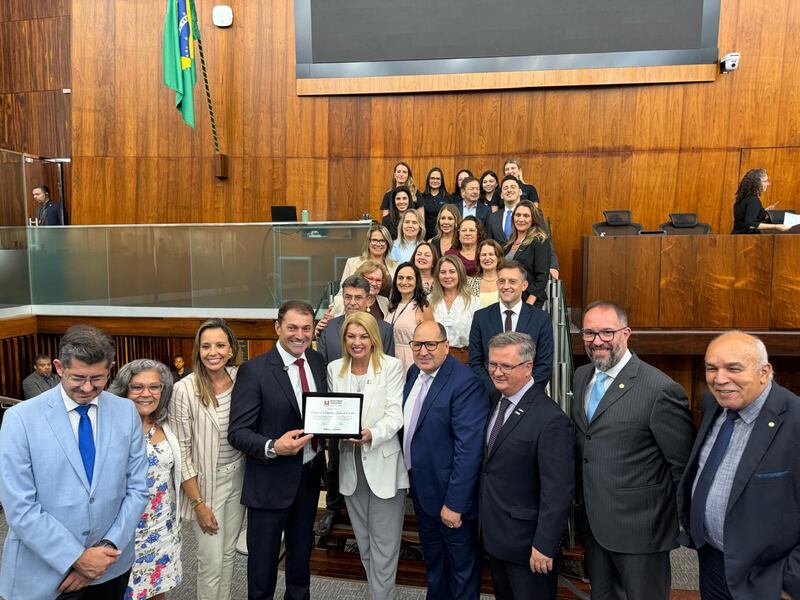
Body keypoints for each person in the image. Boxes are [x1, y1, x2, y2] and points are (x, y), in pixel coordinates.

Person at [0, 324, 148, 599]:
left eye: (97, 378)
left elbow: (137, 489)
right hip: (42, 574)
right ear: (59, 367)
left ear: (111, 369)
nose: (88, 387)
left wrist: (104, 550)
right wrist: (76, 558)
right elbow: (20, 507)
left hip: (109, 567)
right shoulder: (19, 419)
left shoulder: (126, 411)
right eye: (78, 378)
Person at [572, 301, 695, 600]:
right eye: (589, 333)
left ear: (626, 333)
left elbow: (682, 466)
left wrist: (685, 526)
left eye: (606, 332)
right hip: (594, 523)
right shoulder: (581, 376)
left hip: (642, 531)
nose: (596, 341)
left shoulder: (660, 390)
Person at [677, 331, 800, 599]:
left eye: (734, 368)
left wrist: (791, 580)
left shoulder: (795, 421)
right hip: (711, 559)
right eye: (712, 368)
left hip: (767, 576)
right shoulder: (713, 403)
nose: (719, 379)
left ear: (764, 372)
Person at [228, 300, 326, 600]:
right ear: (277, 328)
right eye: (292, 328)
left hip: (308, 479)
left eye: (306, 328)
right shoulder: (254, 371)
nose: (300, 335)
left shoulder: (317, 362)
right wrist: (273, 446)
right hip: (269, 482)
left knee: (300, 561)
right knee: (262, 566)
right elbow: (238, 432)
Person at [480, 332, 574, 600]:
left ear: (528, 367)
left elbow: (558, 491)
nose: (497, 372)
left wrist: (544, 544)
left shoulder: (550, 419)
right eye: (492, 364)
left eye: (506, 366)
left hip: (529, 548)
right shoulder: (495, 403)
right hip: (497, 539)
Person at [402, 320, 489, 599]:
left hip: (451, 500)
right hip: (423, 491)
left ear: (446, 346)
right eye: (417, 344)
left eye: (431, 344)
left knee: (461, 571)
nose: (423, 351)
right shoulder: (414, 372)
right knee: (435, 565)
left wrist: (455, 504)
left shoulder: (465, 383)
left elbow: (469, 450)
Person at [327, 312, 408, 600]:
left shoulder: (391, 367)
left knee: (384, 546)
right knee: (364, 542)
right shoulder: (335, 368)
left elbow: (396, 414)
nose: (357, 342)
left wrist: (371, 433)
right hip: (351, 468)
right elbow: (333, 412)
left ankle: (380, 596)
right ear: (343, 339)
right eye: (351, 336)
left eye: (363, 336)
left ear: (373, 338)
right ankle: (380, 593)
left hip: (383, 465)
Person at [168, 318, 244, 600]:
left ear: (231, 348)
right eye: (206, 346)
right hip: (205, 486)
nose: (213, 352)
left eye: (220, 345)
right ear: (197, 351)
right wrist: (198, 503)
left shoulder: (241, 379)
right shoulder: (184, 390)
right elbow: (182, 454)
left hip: (239, 477)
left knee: (227, 556)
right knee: (210, 562)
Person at [315, 276, 396, 537]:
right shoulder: (328, 328)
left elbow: (387, 368)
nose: (351, 302)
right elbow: (325, 373)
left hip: (373, 409)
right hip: (339, 414)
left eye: (357, 297)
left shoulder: (384, 329)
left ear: (368, 299)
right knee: (336, 464)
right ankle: (333, 508)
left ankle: (367, 510)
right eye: (347, 297)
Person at [109, 359, 183, 600]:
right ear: (124, 390)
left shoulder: (166, 426)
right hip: (123, 530)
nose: (146, 394)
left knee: (156, 591)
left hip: (162, 527)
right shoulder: (110, 429)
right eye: (137, 387)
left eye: (154, 387)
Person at [469, 261, 553, 393]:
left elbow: (544, 365)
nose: (506, 286)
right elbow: (476, 362)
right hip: (489, 396)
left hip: (528, 399)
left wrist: (522, 394)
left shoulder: (541, 319)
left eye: (512, 281)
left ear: (524, 285)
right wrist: (495, 392)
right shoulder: (481, 317)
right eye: (502, 281)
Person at [487, 176, 560, 278]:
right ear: (501, 195)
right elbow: (489, 245)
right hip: (501, 273)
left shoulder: (535, 213)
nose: (509, 190)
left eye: (513, 187)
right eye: (505, 188)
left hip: (529, 272)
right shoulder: (492, 218)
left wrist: (553, 265)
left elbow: (546, 239)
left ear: (520, 192)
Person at [429, 255, 481, 363]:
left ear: (460, 273)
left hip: (464, 359)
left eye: (452, 271)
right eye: (443, 272)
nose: (447, 276)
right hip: (433, 358)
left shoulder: (474, 302)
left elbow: (479, 337)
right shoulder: (429, 301)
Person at [385, 262, 433, 373]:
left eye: (409, 278)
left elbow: (430, 339)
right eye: (400, 278)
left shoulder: (423, 306)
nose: (404, 282)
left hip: (411, 361)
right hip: (390, 359)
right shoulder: (391, 305)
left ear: (416, 281)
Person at [505, 200, 551, 307]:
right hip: (511, 299)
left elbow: (542, 277)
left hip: (529, 301)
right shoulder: (510, 243)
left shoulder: (539, 240)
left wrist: (529, 304)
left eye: (526, 216)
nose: (521, 219)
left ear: (533, 219)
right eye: (518, 215)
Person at [338, 224, 397, 290]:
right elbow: (342, 292)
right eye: (374, 240)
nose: (378, 244)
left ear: (387, 243)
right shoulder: (352, 263)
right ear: (368, 242)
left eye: (382, 241)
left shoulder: (396, 266)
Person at [731, 168, 790, 233]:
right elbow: (750, 224)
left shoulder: (743, 198)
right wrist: (776, 226)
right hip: (746, 239)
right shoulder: (753, 200)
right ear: (757, 183)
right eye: (766, 181)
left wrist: (763, 212)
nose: (768, 183)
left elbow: (746, 216)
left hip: (737, 237)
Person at [468, 239, 504, 307]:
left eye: (491, 254)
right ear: (479, 258)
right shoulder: (470, 284)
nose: (487, 258)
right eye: (483, 255)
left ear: (498, 257)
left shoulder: (506, 281)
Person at [418, 167, 449, 236]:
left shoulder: (448, 198)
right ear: (428, 180)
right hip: (425, 236)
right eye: (432, 178)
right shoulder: (421, 197)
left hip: (443, 235)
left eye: (438, 179)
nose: (435, 181)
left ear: (442, 181)